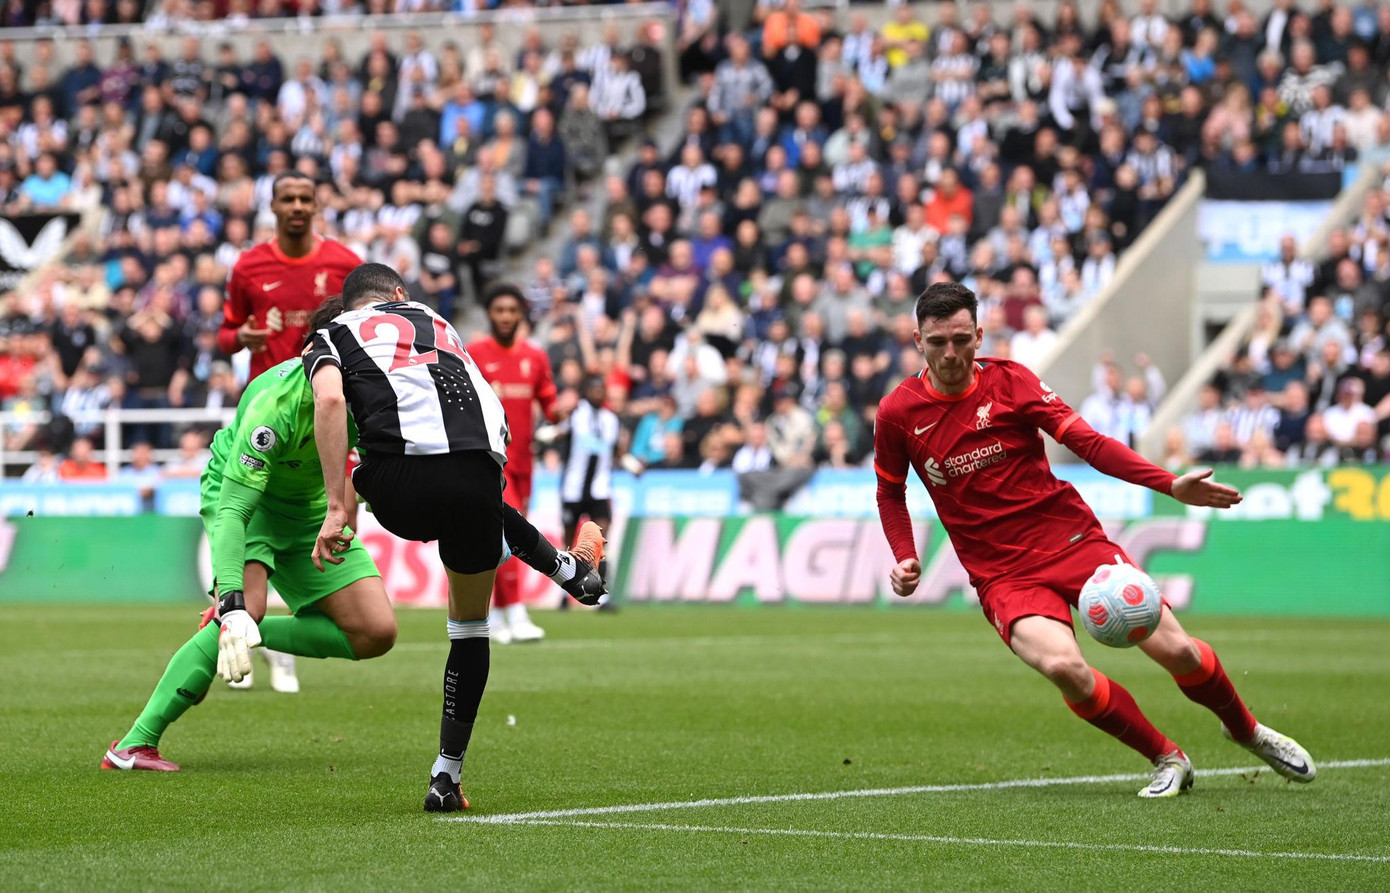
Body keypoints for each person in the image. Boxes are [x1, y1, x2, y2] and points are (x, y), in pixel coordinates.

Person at [104, 298, 604, 774]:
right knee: (244, 609)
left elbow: (360, 463)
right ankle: (134, 742)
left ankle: (253, 633)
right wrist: (233, 601)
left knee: (375, 633)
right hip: (249, 504)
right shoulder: (276, 403)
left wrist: (344, 515)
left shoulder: (371, 392)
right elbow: (234, 505)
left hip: (312, 512)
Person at [874, 282, 1316, 798]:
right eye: (936, 341)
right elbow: (890, 492)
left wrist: (1169, 483)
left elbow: (1088, 443)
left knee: (1179, 652)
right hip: (1001, 572)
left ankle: (1247, 730)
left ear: (979, 334)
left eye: (961, 338)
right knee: (1064, 667)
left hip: (1071, 539)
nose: (950, 352)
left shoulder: (1012, 382)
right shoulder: (898, 412)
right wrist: (905, 556)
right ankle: (1166, 757)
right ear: (916, 341)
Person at [305, 265, 601, 813]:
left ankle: (569, 570)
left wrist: (335, 507)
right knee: (469, 629)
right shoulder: (440, 321)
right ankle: (447, 776)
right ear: (400, 295)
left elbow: (327, 404)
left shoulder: (332, 332)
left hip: (397, 484)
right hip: (480, 473)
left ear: (351, 305)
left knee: (365, 465)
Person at [216, 169, 362, 689]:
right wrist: (245, 334)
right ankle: (237, 620)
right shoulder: (249, 266)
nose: (297, 206)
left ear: (317, 204)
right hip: (268, 415)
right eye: (288, 198)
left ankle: (270, 637)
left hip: (327, 416)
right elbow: (223, 335)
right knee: (247, 521)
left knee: (320, 522)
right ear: (273, 206)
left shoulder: (344, 263)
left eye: (306, 198)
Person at [466, 283, 561, 644]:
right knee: (507, 535)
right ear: (490, 314)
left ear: (521, 315)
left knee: (500, 540)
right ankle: (514, 613)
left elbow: (549, 404)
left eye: (512, 310)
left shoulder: (535, 358)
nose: (506, 316)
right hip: (489, 463)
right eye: (499, 310)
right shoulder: (473, 354)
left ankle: (499, 618)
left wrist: (559, 410)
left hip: (524, 464)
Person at [558, 376, 620, 588]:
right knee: (568, 542)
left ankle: (602, 591)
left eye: (601, 389)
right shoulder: (575, 414)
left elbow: (617, 451)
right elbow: (557, 431)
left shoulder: (611, 419)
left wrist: (632, 464)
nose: (598, 393)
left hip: (600, 488)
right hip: (573, 488)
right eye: (593, 389)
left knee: (601, 540)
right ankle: (564, 592)